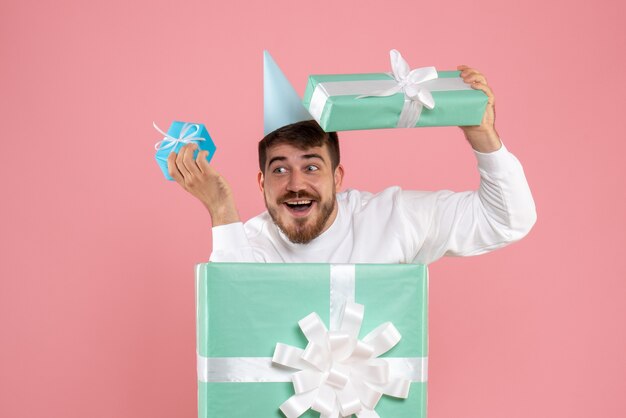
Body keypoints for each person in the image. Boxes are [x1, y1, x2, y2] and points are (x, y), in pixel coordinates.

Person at [166, 66, 536, 264]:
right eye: (280, 169)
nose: (295, 183)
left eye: (311, 167)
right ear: (261, 182)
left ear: (338, 177)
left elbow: (506, 220)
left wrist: (483, 135)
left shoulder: (393, 219)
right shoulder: (248, 245)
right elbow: (233, 323)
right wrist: (220, 208)